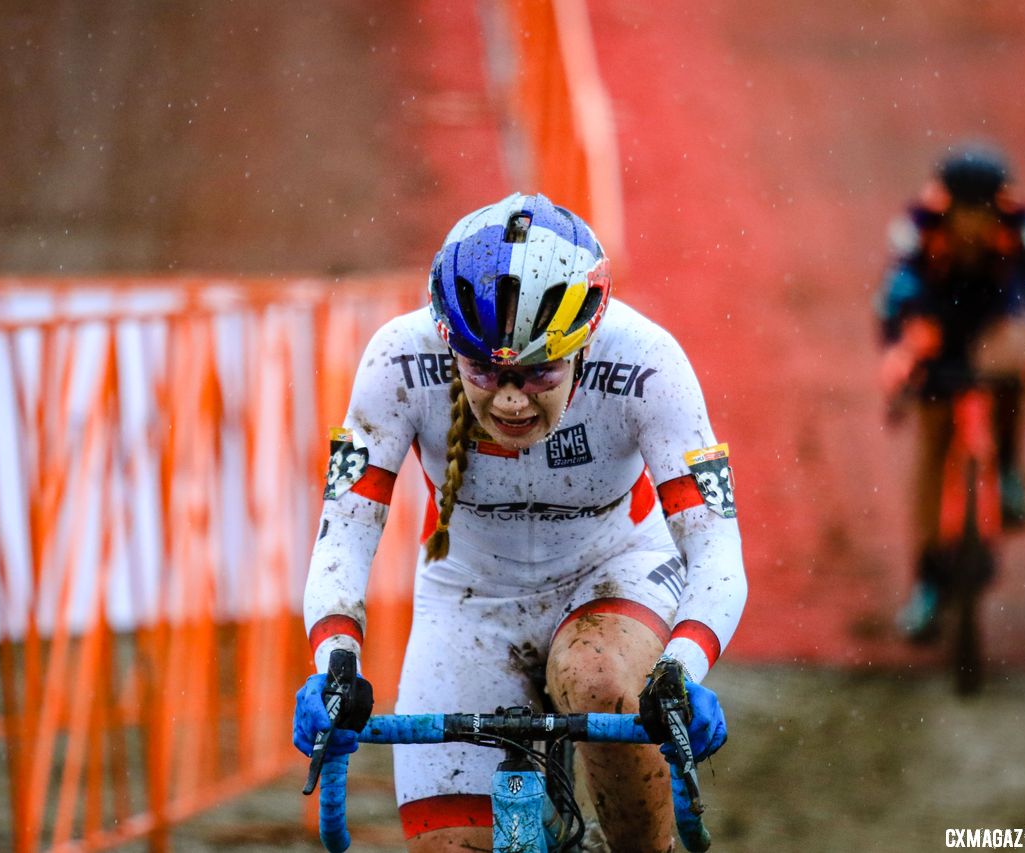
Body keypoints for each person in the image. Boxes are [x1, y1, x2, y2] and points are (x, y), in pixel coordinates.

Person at [293, 192, 748, 852]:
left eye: (538, 373)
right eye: (483, 369)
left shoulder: (650, 362)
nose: (508, 399)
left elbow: (716, 551)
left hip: (613, 571)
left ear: (586, 344)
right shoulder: (398, 357)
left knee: (598, 678)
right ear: (447, 340)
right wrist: (335, 661)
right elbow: (345, 532)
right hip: (469, 598)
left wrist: (681, 668)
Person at [876, 144, 1025, 640]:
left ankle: (1006, 468)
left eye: (984, 210)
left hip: (993, 322)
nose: (975, 222)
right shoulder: (917, 228)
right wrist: (901, 357)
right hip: (940, 319)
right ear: (948, 204)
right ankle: (928, 579)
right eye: (967, 209)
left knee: (1015, 371)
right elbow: (894, 302)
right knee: (933, 444)